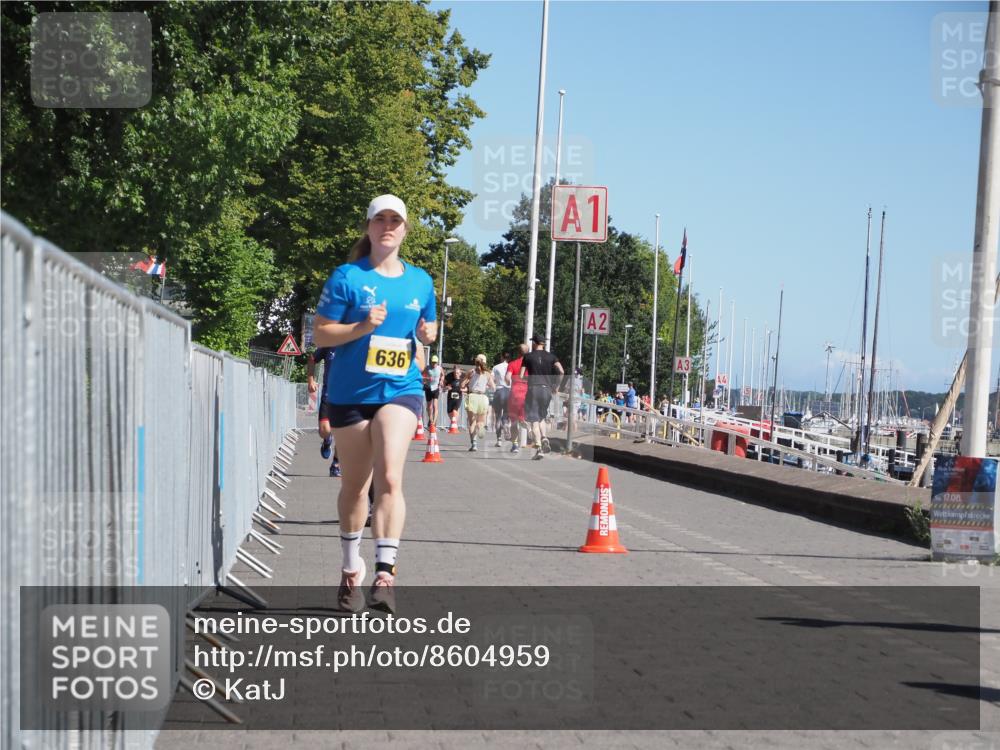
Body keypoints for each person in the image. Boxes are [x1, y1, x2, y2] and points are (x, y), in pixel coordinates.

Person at [312, 194, 436, 614]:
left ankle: (385, 573)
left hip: (401, 386)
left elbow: (429, 325)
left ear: (405, 229)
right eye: (380, 219)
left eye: (395, 220)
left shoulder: (420, 280)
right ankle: (351, 571)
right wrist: (362, 326)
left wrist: (429, 333)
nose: (387, 226)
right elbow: (321, 334)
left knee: (390, 475)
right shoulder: (346, 277)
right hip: (350, 393)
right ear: (368, 227)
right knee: (354, 486)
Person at [520, 333, 564, 460]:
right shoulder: (551, 357)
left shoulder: (527, 357)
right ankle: (544, 437)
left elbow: (522, 375)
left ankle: (539, 447)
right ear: (543, 343)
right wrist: (556, 385)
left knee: (533, 420)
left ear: (534, 343)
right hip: (547, 390)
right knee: (542, 417)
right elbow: (561, 371)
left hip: (533, 389)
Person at [306, 346, 342, 477]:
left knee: (342, 433)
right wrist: (311, 380)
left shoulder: (356, 342)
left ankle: (336, 465)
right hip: (329, 394)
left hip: (348, 395)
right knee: (324, 431)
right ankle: (327, 440)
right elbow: (312, 359)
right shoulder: (329, 344)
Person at [461, 354, 495, 451]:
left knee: (472, 422)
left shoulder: (471, 372)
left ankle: (474, 444)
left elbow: (462, 385)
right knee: (480, 422)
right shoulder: (488, 374)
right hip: (483, 397)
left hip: (472, 397)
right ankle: (480, 428)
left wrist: (467, 380)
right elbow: (493, 387)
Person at [506, 343, 529, 454]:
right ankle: (524, 421)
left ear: (518, 352)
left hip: (514, 392)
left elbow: (507, 378)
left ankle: (515, 445)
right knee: (525, 416)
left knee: (513, 421)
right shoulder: (530, 365)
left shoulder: (512, 363)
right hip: (526, 393)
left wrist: (509, 382)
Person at [490, 352, 510, 446]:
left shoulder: (496, 367)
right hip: (509, 391)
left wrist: (493, 387)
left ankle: (499, 440)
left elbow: (491, 379)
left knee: (497, 416)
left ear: (502, 357)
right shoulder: (511, 366)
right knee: (506, 415)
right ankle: (506, 424)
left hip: (499, 390)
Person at [423, 354, 443, 429]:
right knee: (429, 407)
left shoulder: (440, 368)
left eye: (435, 362)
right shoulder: (427, 368)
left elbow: (443, 375)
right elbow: (421, 376)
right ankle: (430, 420)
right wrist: (427, 378)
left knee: (435, 405)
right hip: (428, 388)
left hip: (436, 388)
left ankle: (434, 422)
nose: (434, 364)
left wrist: (441, 380)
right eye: (433, 362)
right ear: (430, 362)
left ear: (437, 362)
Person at [444, 364, 464, 429]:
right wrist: (446, 387)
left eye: (457, 373)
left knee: (455, 410)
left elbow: (467, 388)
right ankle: (453, 422)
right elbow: (444, 384)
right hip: (450, 395)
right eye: (455, 373)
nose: (456, 374)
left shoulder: (463, 377)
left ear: (460, 373)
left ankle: (454, 423)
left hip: (458, 396)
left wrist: (463, 390)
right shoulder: (449, 376)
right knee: (449, 412)